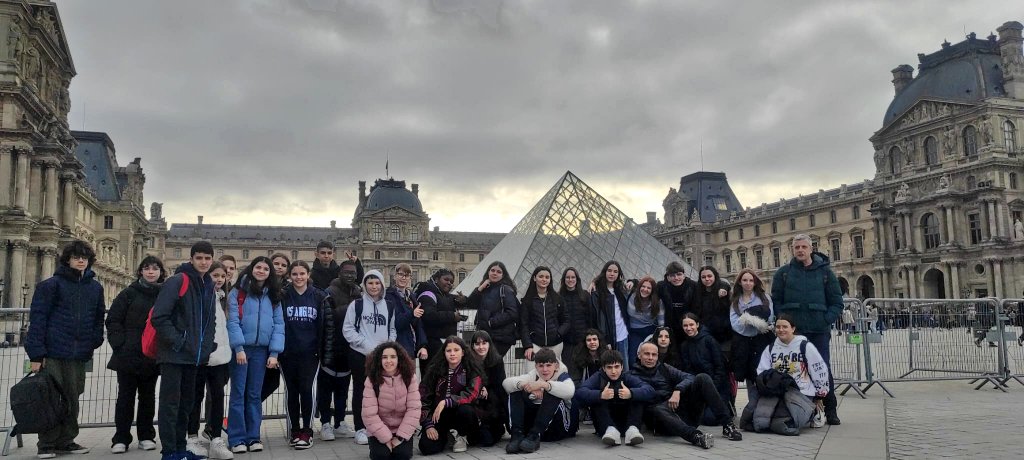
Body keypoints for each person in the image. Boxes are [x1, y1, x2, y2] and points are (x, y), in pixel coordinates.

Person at [149, 242, 218, 460]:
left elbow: (210, 321)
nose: (204, 262)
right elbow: (159, 316)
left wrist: (206, 347)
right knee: (170, 405)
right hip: (173, 354)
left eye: (208, 258)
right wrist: (179, 342)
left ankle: (181, 449)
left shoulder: (207, 284)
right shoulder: (178, 281)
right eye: (199, 258)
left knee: (186, 406)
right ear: (191, 259)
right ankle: (169, 452)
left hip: (194, 357)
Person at [770, 234, 844, 425]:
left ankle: (831, 409)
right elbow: (776, 300)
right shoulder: (783, 273)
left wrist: (825, 320)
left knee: (822, 370)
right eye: (797, 247)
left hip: (818, 330)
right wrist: (783, 321)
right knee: (794, 371)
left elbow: (837, 302)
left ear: (811, 248)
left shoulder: (825, 273)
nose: (800, 250)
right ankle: (799, 409)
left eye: (804, 247)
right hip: (794, 333)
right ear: (792, 250)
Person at [106, 256, 165, 454]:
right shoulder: (128, 293)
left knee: (148, 397)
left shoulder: (164, 295)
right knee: (125, 397)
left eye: (155, 268)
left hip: (151, 354)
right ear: (140, 271)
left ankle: (146, 435)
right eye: (147, 268)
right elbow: (113, 320)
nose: (151, 272)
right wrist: (120, 345)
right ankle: (120, 438)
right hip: (128, 354)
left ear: (160, 272)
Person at [226, 256, 285, 453]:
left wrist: (274, 352)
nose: (261, 271)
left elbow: (279, 325)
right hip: (242, 350)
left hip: (262, 351)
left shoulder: (274, 296)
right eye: (258, 267)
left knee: (253, 394)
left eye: (265, 268)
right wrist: (239, 348)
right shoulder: (238, 293)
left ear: (270, 273)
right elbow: (232, 322)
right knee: (238, 394)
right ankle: (236, 438)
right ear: (251, 269)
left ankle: (253, 437)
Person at [632, 342, 740, 450]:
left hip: (682, 412)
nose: (650, 358)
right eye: (647, 354)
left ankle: (727, 425)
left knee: (702, 378)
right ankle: (697, 437)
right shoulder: (631, 376)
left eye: (654, 354)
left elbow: (690, 377)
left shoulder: (664, 368)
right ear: (639, 355)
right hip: (661, 422)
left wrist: (678, 390)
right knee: (658, 408)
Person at [740, 315, 830, 436]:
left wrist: (820, 394)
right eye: (778, 327)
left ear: (793, 328)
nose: (781, 330)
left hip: (801, 392)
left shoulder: (805, 346)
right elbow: (762, 371)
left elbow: (819, 370)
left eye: (785, 327)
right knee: (760, 422)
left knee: (785, 424)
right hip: (777, 391)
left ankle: (814, 412)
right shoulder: (771, 348)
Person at [343, 269, 399, 445]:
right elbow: (348, 329)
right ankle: (360, 427)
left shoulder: (389, 305)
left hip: (382, 357)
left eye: (377, 283)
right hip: (360, 354)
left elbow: (392, 329)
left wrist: (387, 347)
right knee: (361, 391)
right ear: (365, 285)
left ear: (382, 285)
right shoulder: (357, 305)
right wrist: (367, 346)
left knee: (381, 392)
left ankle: (377, 425)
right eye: (370, 283)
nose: (374, 286)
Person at [185, 261, 233, 459]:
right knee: (195, 397)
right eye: (215, 275)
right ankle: (192, 437)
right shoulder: (199, 295)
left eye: (222, 276)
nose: (219, 279)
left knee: (218, 397)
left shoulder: (223, 298)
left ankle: (215, 439)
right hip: (201, 355)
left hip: (220, 356)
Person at [280, 261, 330, 449]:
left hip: (311, 353)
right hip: (287, 353)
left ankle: (307, 431)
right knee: (292, 392)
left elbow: (326, 326)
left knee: (307, 390)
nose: (299, 277)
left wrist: (324, 350)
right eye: (295, 274)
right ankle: (294, 430)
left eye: (302, 274)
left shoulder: (318, 296)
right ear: (289, 276)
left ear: (308, 275)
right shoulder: (283, 295)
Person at [317, 260, 363, 441]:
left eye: (353, 272)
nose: (350, 275)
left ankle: (340, 421)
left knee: (344, 386)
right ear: (339, 273)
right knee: (326, 386)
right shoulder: (330, 292)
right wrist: (352, 309)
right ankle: (325, 423)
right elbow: (331, 317)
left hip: (349, 346)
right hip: (331, 343)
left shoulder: (358, 292)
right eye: (346, 272)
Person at [418, 336, 484, 456]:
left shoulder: (471, 369)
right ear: (444, 353)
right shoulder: (434, 370)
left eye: (456, 350)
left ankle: (461, 435)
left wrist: (447, 401)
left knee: (466, 410)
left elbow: (472, 394)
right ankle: (447, 435)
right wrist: (428, 425)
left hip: (462, 413)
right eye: (449, 351)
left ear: (463, 352)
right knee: (427, 447)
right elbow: (423, 398)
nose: (452, 354)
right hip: (440, 415)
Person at [502, 348, 576, 454]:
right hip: (533, 427)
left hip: (557, 429)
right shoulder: (533, 375)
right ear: (536, 366)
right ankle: (517, 435)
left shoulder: (562, 375)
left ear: (556, 365)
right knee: (515, 390)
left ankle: (534, 436)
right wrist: (524, 385)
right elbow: (506, 383)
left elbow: (570, 391)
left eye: (548, 365)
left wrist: (544, 385)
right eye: (541, 366)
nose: (545, 370)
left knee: (553, 392)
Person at [575, 350, 654, 446]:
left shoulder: (627, 377)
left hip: (627, 421)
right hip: (605, 424)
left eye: (616, 367)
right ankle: (611, 430)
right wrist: (600, 395)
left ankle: (632, 430)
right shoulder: (598, 377)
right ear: (603, 368)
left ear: (622, 367)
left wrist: (631, 393)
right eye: (609, 367)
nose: (613, 371)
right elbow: (580, 392)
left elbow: (649, 390)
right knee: (597, 399)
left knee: (637, 397)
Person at [361, 342, 421, 460]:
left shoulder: (409, 377)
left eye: (393, 357)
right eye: (384, 357)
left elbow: (414, 410)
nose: (389, 361)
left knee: (402, 455)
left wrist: (400, 437)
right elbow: (369, 414)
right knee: (381, 455)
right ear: (379, 359)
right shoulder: (372, 379)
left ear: (399, 359)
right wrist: (386, 438)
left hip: (401, 428)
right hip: (379, 429)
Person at [677, 313, 732, 422]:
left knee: (710, 419)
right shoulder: (684, 346)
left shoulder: (709, 341)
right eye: (685, 326)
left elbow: (720, 367)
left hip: (717, 387)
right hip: (698, 387)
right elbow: (688, 370)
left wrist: (713, 387)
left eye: (691, 325)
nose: (688, 328)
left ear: (697, 324)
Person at [729, 269, 775, 397]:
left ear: (755, 282)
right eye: (745, 280)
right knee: (750, 375)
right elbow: (735, 323)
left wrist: (749, 319)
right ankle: (753, 405)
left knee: (763, 371)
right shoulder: (735, 301)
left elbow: (770, 317)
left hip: (762, 340)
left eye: (751, 280)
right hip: (744, 343)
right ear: (739, 282)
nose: (748, 283)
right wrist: (752, 320)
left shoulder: (764, 297)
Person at [415, 269, 468, 371]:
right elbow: (428, 316)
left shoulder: (444, 295)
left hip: (444, 345)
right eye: (446, 279)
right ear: (436, 279)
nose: (449, 283)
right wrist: (452, 316)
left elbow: (465, 301)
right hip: (432, 346)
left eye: (451, 282)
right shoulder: (427, 294)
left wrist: (463, 300)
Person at [469, 261, 520, 358]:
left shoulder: (506, 290)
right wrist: (480, 288)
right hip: (487, 335)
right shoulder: (485, 289)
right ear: (488, 272)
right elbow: (470, 303)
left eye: (498, 272)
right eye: (492, 270)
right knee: (488, 367)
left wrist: (491, 322)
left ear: (503, 275)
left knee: (491, 365)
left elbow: (512, 313)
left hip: (500, 337)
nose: (495, 273)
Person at [520, 266, 568, 360]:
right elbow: (523, 325)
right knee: (533, 373)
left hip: (556, 344)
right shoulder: (527, 301)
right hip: (534, 344)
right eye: (541, 276)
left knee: (553, 373)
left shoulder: (558, 299)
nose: (544, 279)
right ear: (534, 278)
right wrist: (528, 346)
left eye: (547, 277)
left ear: (550, 280)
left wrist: (559, 333)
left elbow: (566, 320)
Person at [469, 331, 508, 447]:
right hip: (475, 396)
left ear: (489, 344)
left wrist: (486, 388)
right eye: (477, 344)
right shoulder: (469, 361)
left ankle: (499, 426)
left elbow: (500, 385)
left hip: (493, 399)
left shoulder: (497, 360)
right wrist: (480, 387)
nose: (481, 347)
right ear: (472, 346)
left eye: (484, 343)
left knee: (489, 440)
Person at [590, 261, 630, 370]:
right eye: (609, 271)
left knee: (624, 368)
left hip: (622, 335)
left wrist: (634, 281)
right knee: (609, 369)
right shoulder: (596, 292)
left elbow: (643, 285)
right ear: (605, 272)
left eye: (615, 271)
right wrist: (604, 339)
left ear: (619, 274)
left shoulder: (622, 289)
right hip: (607, 337)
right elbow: (597, 318)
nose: (612, 274)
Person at [386, 263, 428, 362]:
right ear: (395, 276)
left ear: (410, 278)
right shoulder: (388, 296)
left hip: (410, 347)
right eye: (401, 274)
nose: (403, 278)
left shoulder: (411, 296)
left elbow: (419, 324)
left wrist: (423, 345)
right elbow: (395, 323)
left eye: (407, 275)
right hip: (397, 347)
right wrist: (412, 313)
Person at [657, 262, 698, 344]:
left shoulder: (693, 286)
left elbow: (711, 286)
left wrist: (723, 287)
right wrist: (632, 282)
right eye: (672, 275)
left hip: (688, 327)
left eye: (679, 274)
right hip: (670, 328)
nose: (676, 278)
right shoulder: (661, 286)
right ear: (668, 277)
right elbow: (645, 285)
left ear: (684, 275)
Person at [626, 276, 663, 363]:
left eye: (649, 288)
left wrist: (660, 334)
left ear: (652, 290)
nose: (645, 289)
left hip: (650, 331)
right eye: (643, 286)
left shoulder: (657, 302)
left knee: (649, 357)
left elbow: (661, 321)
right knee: (633, 358)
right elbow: (618, 282)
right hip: (634, 331)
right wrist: (631, 281)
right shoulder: (631, 294)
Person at [560, 267, 593, 364]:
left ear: (577, 279)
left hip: (582, 341)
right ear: (564, 279)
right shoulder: (558, 297)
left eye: (573, 277)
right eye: (568, 277)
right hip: (566, 343)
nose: (570, 280)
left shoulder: (585, 295)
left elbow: (590, 318)